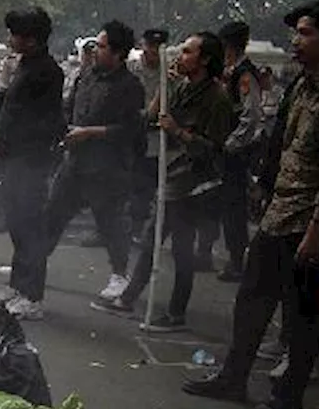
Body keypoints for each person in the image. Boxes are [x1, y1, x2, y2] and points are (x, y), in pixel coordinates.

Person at [183, 0, 319, 409]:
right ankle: (234, 376)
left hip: (311, 220)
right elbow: (279, 144)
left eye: (306, 33)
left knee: (302, 313)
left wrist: (318, 229)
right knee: (252, 296)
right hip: (280, 209)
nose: (296, 41)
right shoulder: (302, 85)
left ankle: (288, 398)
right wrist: (264, 187)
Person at [93, 32, 234, 332]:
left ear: (205, 59)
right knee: (157, 241)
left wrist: (179, 132)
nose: (180, 57)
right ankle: (133, 300)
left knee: (172, 246)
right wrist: (164, 87)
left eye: (187, 52)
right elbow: (151, 117)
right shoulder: (181, 87)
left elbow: (215, 148)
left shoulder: (216, 98)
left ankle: (168, 311)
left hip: (193, 181)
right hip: (171, 173)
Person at [0, 7, 65, 319]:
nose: (9, 39)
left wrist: (11, 139)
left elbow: (35, 118)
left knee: (30, 226)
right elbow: (9, 101)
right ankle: (19, 285)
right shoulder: (27, 66)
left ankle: (32, 296)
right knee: (17, 223)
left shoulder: (47, 72)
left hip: (31, 160)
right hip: (15, 157)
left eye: (14, 34)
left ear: (31, 40)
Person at [41, 20, 146, 316]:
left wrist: (91, 132)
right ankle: (35, 262)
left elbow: (129, 131)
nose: (95, 50)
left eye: (101, 46)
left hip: (107, 169)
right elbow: (70, 107)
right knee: (53, 213)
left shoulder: (130, 86)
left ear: (117, 52)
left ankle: (119, 275)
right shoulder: (86, 75)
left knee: (110, 223)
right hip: (74, 162)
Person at [214, 20, 265, 282]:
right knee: (224, 205)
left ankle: (237, 261)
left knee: (234, 208)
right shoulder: (229, 72)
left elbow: (251, 115)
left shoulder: (244, 74)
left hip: (234, 152)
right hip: (225, 149)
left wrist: (230, 145)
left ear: (228, 46)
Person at [129, 28, 168, 248]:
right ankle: (134, 228)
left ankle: (150, 231)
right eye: (149, 46)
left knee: (150, 186)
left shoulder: (168, 73)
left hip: (156, 138)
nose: (152, 52)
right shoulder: (132, 69)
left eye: (157, 48)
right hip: (134, 134)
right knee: (134, 186)